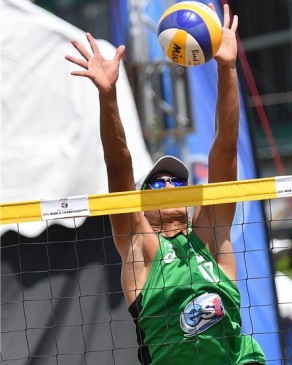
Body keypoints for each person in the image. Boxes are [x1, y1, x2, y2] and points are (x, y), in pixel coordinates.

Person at [65, 4, 266, 365]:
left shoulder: (210, 237)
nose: (172, 184)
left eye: (178, 180)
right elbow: (120, 166)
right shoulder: (141, 248)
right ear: (141, 206)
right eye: (159, 183)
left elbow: (225, 148)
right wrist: (107, 95)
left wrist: (227, 68)